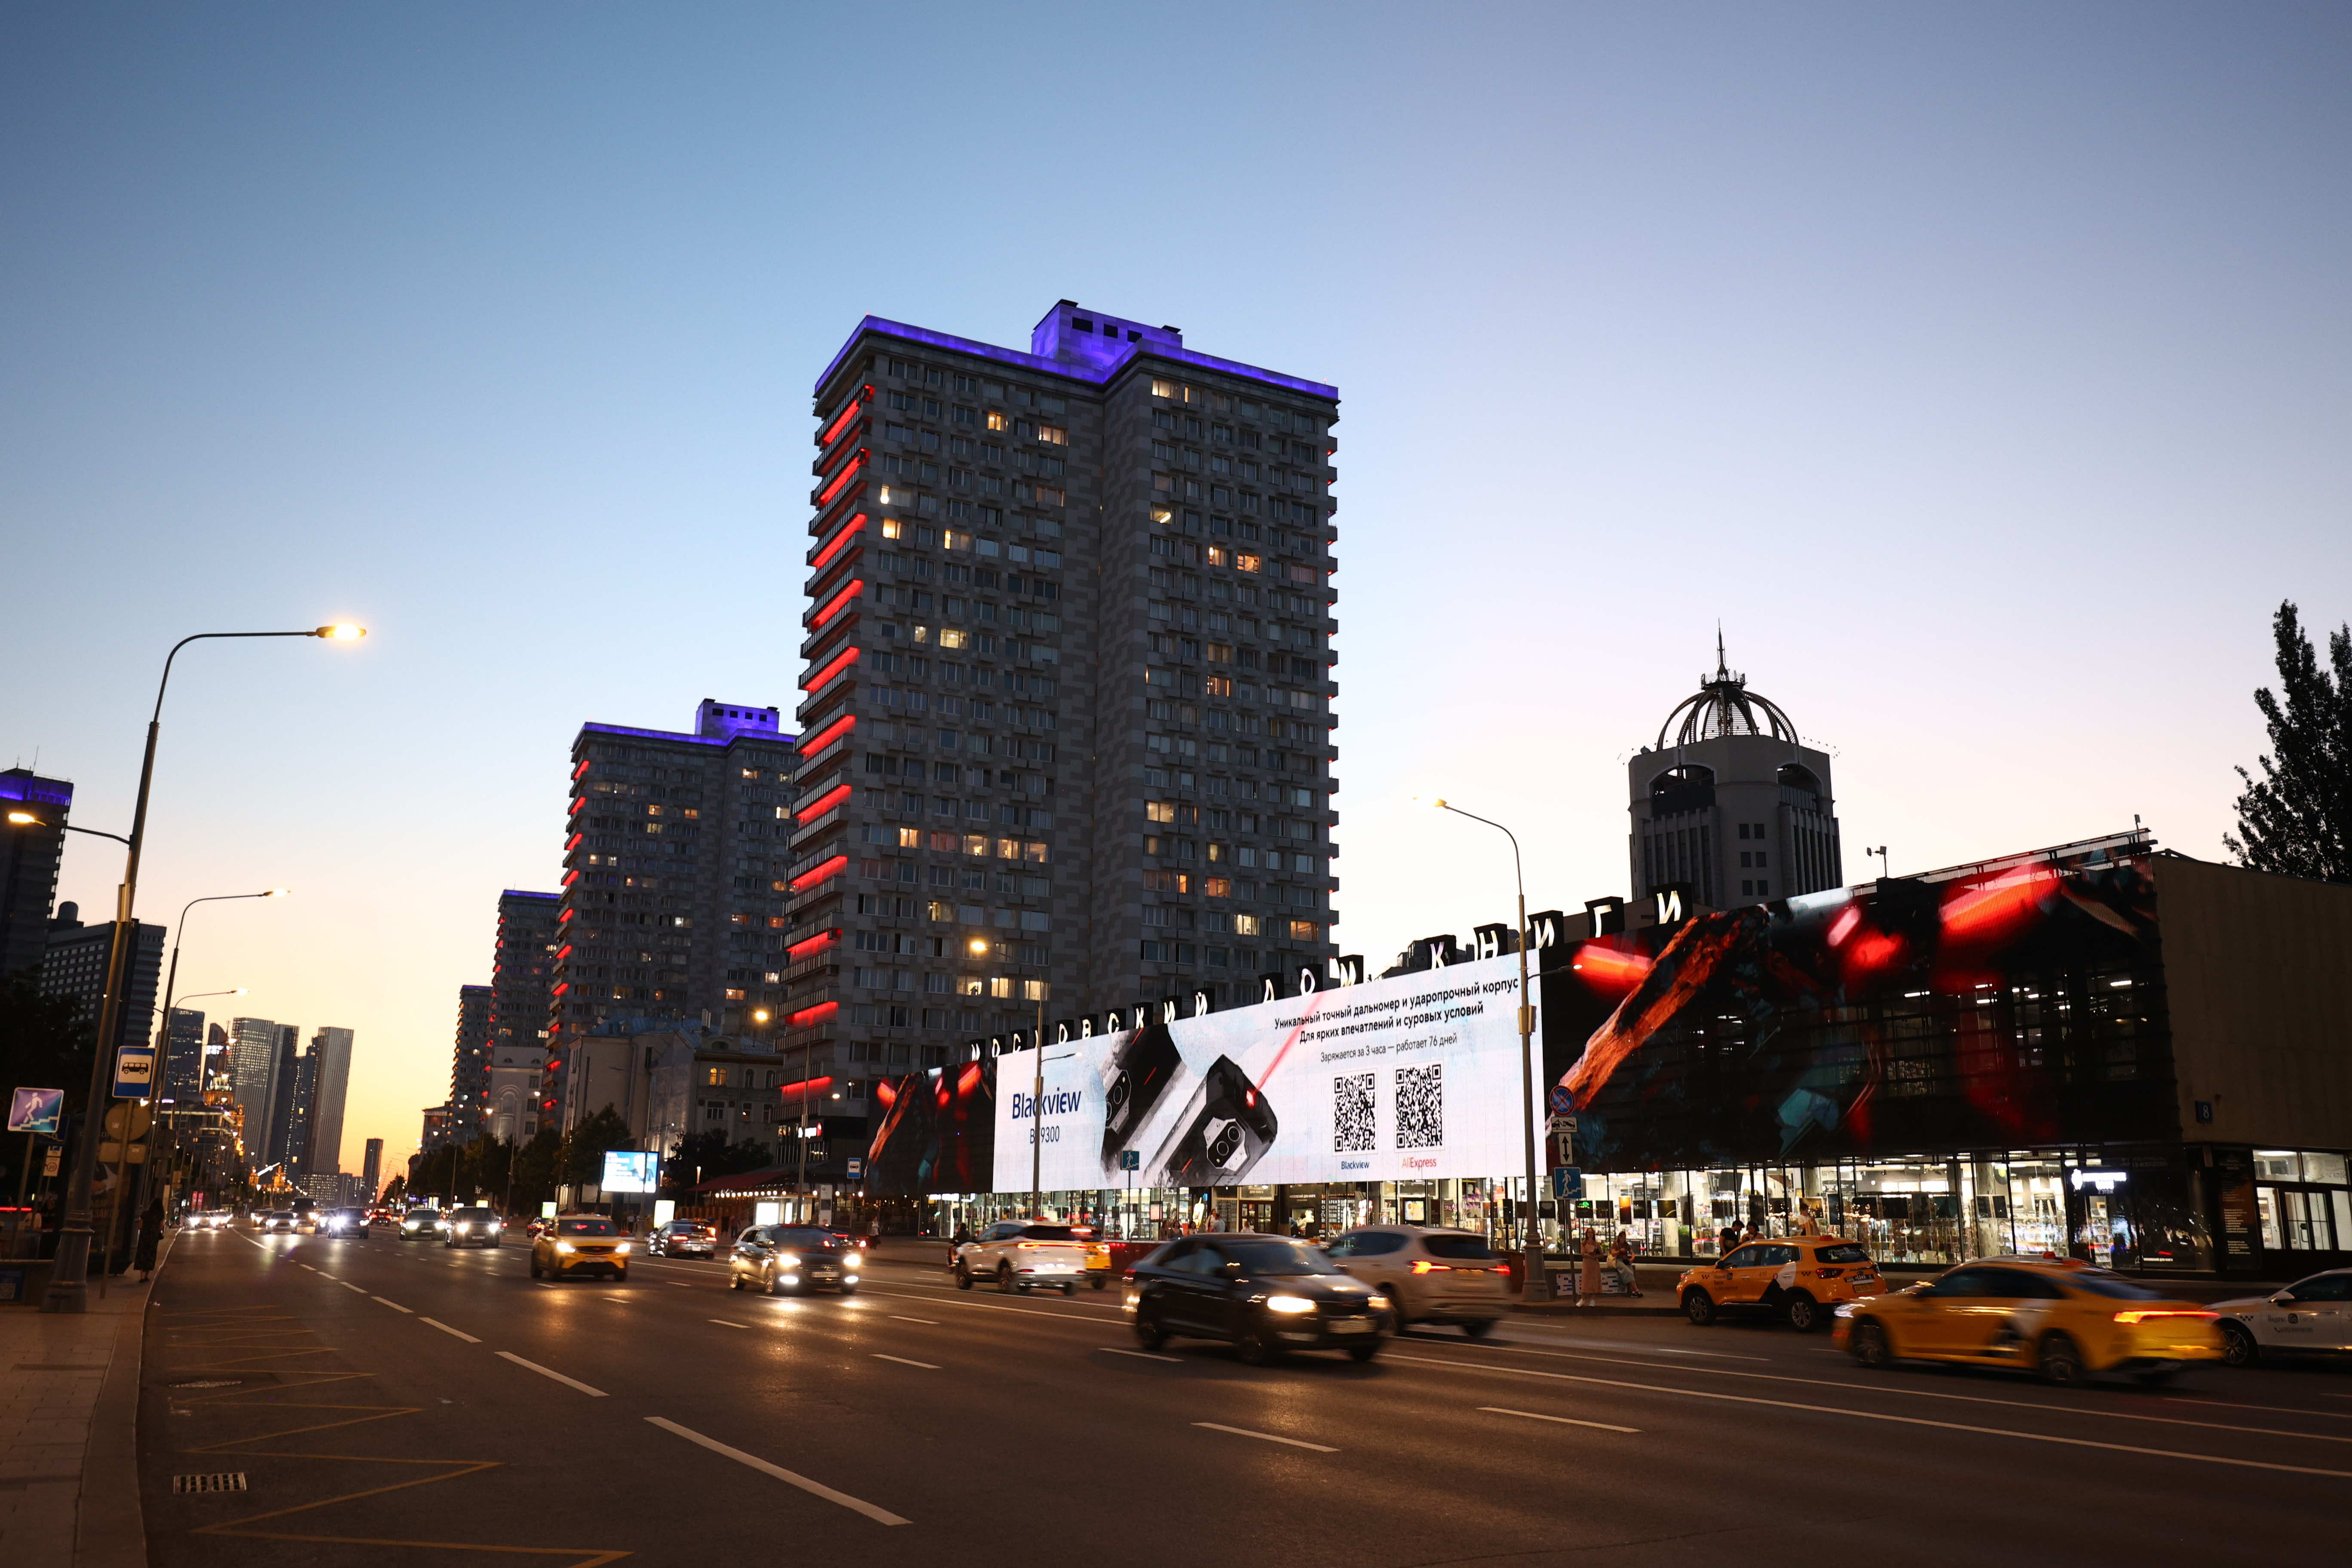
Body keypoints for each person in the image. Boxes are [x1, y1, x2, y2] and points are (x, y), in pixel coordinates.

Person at [134, 1194, 165, 1283]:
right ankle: (147, 1276)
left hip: (144, 1237)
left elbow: (140, 1226)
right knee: (151, 1255)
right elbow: (161, 1227)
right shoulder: (160, 1216)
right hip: (153, 1238)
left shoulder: (145, 1214)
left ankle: (142, 1277)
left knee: (142, 1254)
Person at [1608, 1229, 1642, 1297]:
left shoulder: (1626, 1245)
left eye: (1625, 1238)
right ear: (1619, 1238)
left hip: (1625, 1261)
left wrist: (1632, 1258)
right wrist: (1619, 1251)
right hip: (1618, 1261)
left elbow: (1632, 1253)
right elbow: (1613, 1253)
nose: (1624, 1239)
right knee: (1628, 1272)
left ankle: (1633, 1291)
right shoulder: (1615, 1244)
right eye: (1623, 1238)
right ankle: (1636, 1290)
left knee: (1631, 1272)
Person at [1575, 1227, 1603, 1308]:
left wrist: (1595, 1256)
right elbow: (1583, 1254)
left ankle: (1593, 1300)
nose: (1590, 1234)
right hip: (1587, 1263)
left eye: (1591, 1233)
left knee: (1594, 1281)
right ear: (1587, 1234)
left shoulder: (1596, 1244)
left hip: (1595, 1264)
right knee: (1585, 1281)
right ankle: (1583, 1299)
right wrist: (1591, 1256)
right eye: (1589, 1233)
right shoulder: (1583, 1243)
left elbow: (1601, 1254)